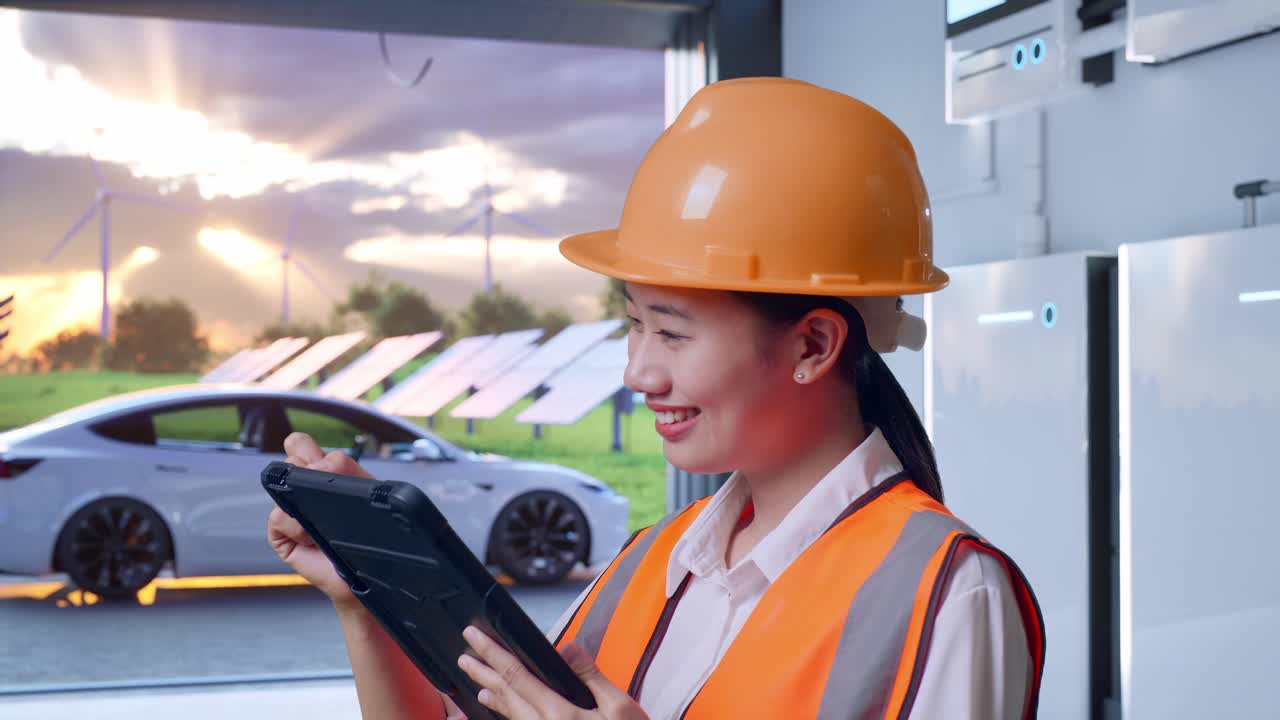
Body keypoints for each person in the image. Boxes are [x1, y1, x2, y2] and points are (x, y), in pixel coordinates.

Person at [268, 77, 1045, 720]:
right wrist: (365, 595)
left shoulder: (948, 592)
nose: (639, 372)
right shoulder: (651, 564)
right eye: (634, 325)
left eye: (672, 333)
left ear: (813, 345)